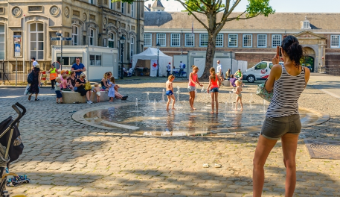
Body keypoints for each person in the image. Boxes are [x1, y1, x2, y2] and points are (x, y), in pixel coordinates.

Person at [253, 35, 310, 197]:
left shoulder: (278, 68)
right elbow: (295, 91)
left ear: (282, 51)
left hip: (275, 119)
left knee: (258, 162)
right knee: (290, 164)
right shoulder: (306, 71)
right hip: (294, 119)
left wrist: (276, 65)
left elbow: (268, 88)